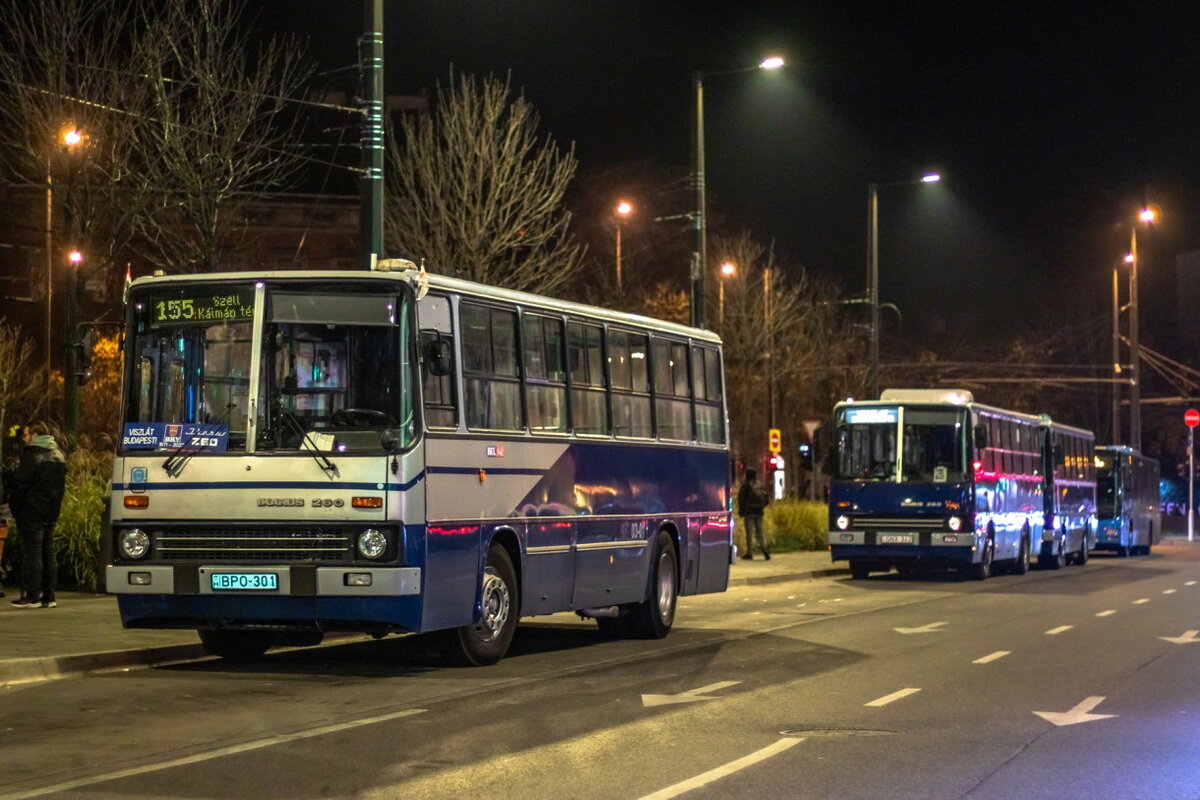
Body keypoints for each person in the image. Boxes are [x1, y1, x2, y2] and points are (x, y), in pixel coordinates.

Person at [8, 422, 67, 609]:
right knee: (48, 553)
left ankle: (32, 596)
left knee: (32, 553)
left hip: (31, 511)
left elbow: (20, 484)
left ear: (35, 435)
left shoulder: (33, 454)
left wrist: (15, 506)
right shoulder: (58, 455)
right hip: (51, 510)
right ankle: (49, 596)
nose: (24, 439)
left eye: (26, 435)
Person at [737, 467, 771, 560]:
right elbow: (767, 498)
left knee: (750, 533)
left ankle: (749, 553)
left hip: (749, 512)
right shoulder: (760, 485)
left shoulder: (746, 485)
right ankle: (765, 551)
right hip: (759, 512)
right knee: (760, 532)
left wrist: (741, 511)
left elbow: (741, 499)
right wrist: (761, 506)